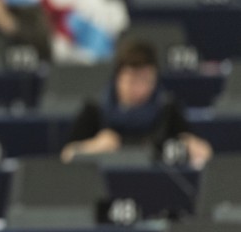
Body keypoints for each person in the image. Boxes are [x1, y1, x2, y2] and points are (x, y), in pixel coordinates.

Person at [60, 39, 212, 169]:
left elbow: (205, 152)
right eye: (132, 80)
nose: (139, 89)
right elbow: (66, 155)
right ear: (118, 77)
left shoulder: (167, 109)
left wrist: (189, 145)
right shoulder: (94, 110)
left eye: (146, 80)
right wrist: (94, 147)